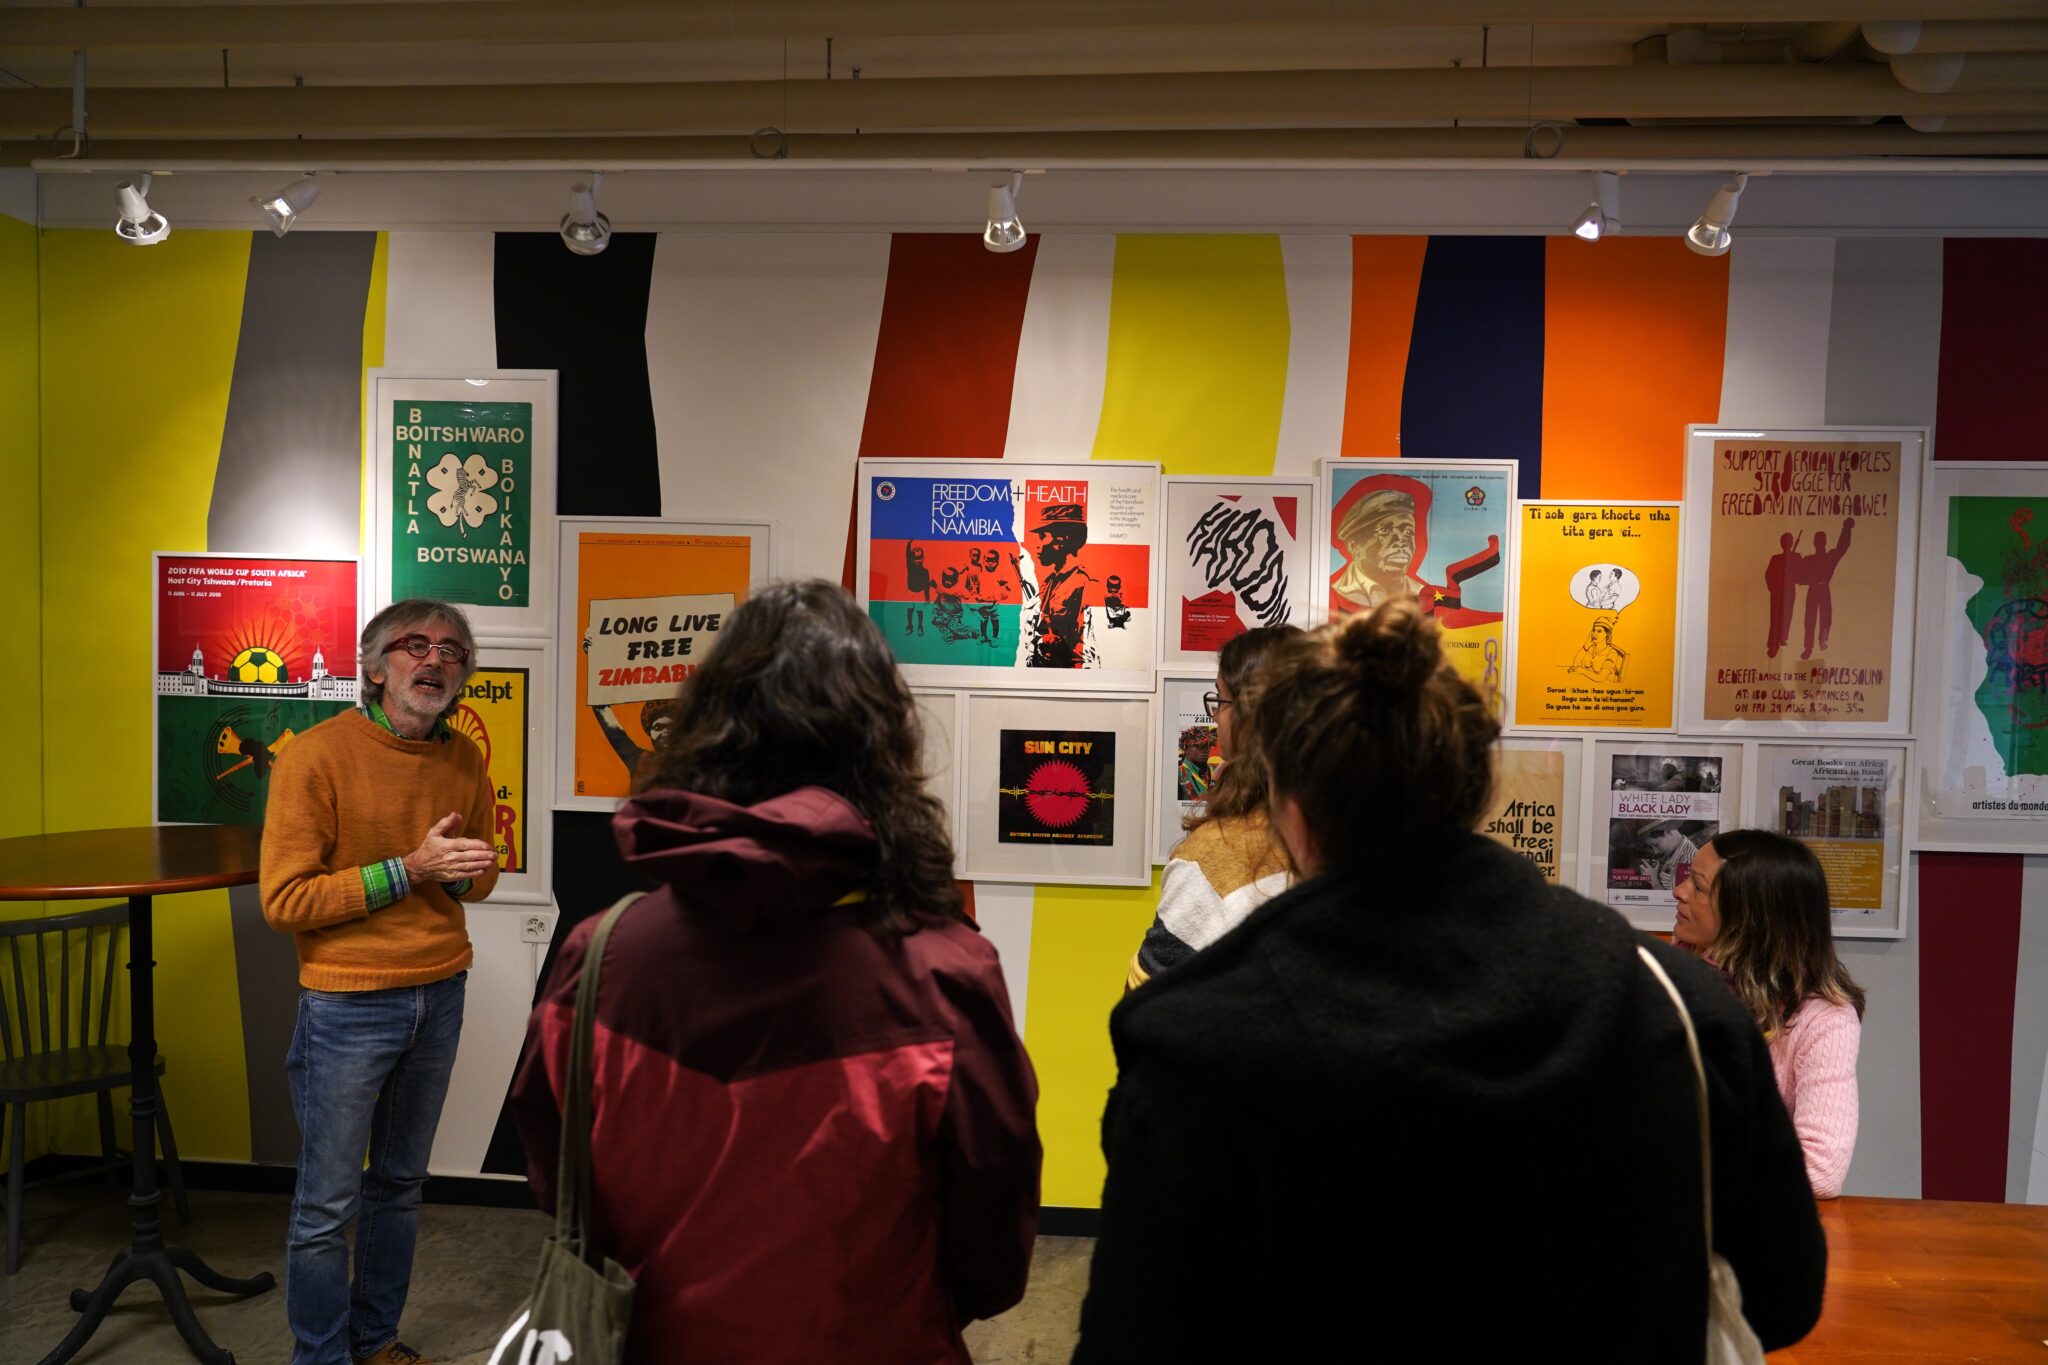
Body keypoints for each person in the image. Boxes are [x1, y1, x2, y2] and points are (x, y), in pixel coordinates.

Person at [1075, 599, 1825, 1361]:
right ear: (1473, 790)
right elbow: (1785, 1294)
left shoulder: (1194, 1049)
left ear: (1292, 810)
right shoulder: (1676, 1008)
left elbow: (1132, 1337)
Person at [508, 580, 1041, 1364]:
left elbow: (560, 1179)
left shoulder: (599, 956)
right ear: (883, 750)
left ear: (705, 732)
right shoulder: (944, 972)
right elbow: (993, 1226)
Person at [260, 599, 501, 1365]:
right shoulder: (315, 756)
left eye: (453, 652)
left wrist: (464, 877)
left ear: (464, 676)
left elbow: (476, 879)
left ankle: (375, 1340)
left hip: (440, 992)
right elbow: (286, 900)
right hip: (347, 1004)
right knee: (327, 1205)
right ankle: (320, 1355)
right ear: (373, 667)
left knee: (399, 1186)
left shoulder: (463, 758)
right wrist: (413, 868)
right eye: (414, 645)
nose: (434, 661)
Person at [1673, 828, 1866, 1198]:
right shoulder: (1669, 980)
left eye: (1697, 886)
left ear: (1748, 914)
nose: (1679, 892)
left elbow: (1820, 1169)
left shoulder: (1823, 1020)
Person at [1126, 626, 1300, 988]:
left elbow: (1145, 1009)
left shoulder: (1216, 856)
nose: (1216, 717)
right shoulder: (1366, 833)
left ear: (1249, 715)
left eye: (1221, 701)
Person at [1026, 503, 1098, 667]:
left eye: (1043, 536)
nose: (1037, 545)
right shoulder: (1049, 582)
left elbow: (1089, 649)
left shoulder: (1084, 583)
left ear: (1062, 539)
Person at [1800, 517, 1856, 658]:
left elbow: (1842, 547)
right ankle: (1808, 646)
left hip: (1823, 588)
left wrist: (1846, 529)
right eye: (1817, 541)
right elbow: (1799, 576)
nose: (1819, 543)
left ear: (1823, 542)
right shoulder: (1809, 560)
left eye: (1820, 540)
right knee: (1810, 619)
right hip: (1814, 589)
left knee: (1825, 616)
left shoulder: (1829, 557)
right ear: (1815, 543)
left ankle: (1822, 640)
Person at [1566, 613, 1627, 683]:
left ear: (1607, 634)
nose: (1595, 634)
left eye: (1599, 631)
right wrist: (1587, 644)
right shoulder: (1591, 648)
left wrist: (1582, 671)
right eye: (1594, 630)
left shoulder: (1611, 653)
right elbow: (1575, 665)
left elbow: (1601, 678)